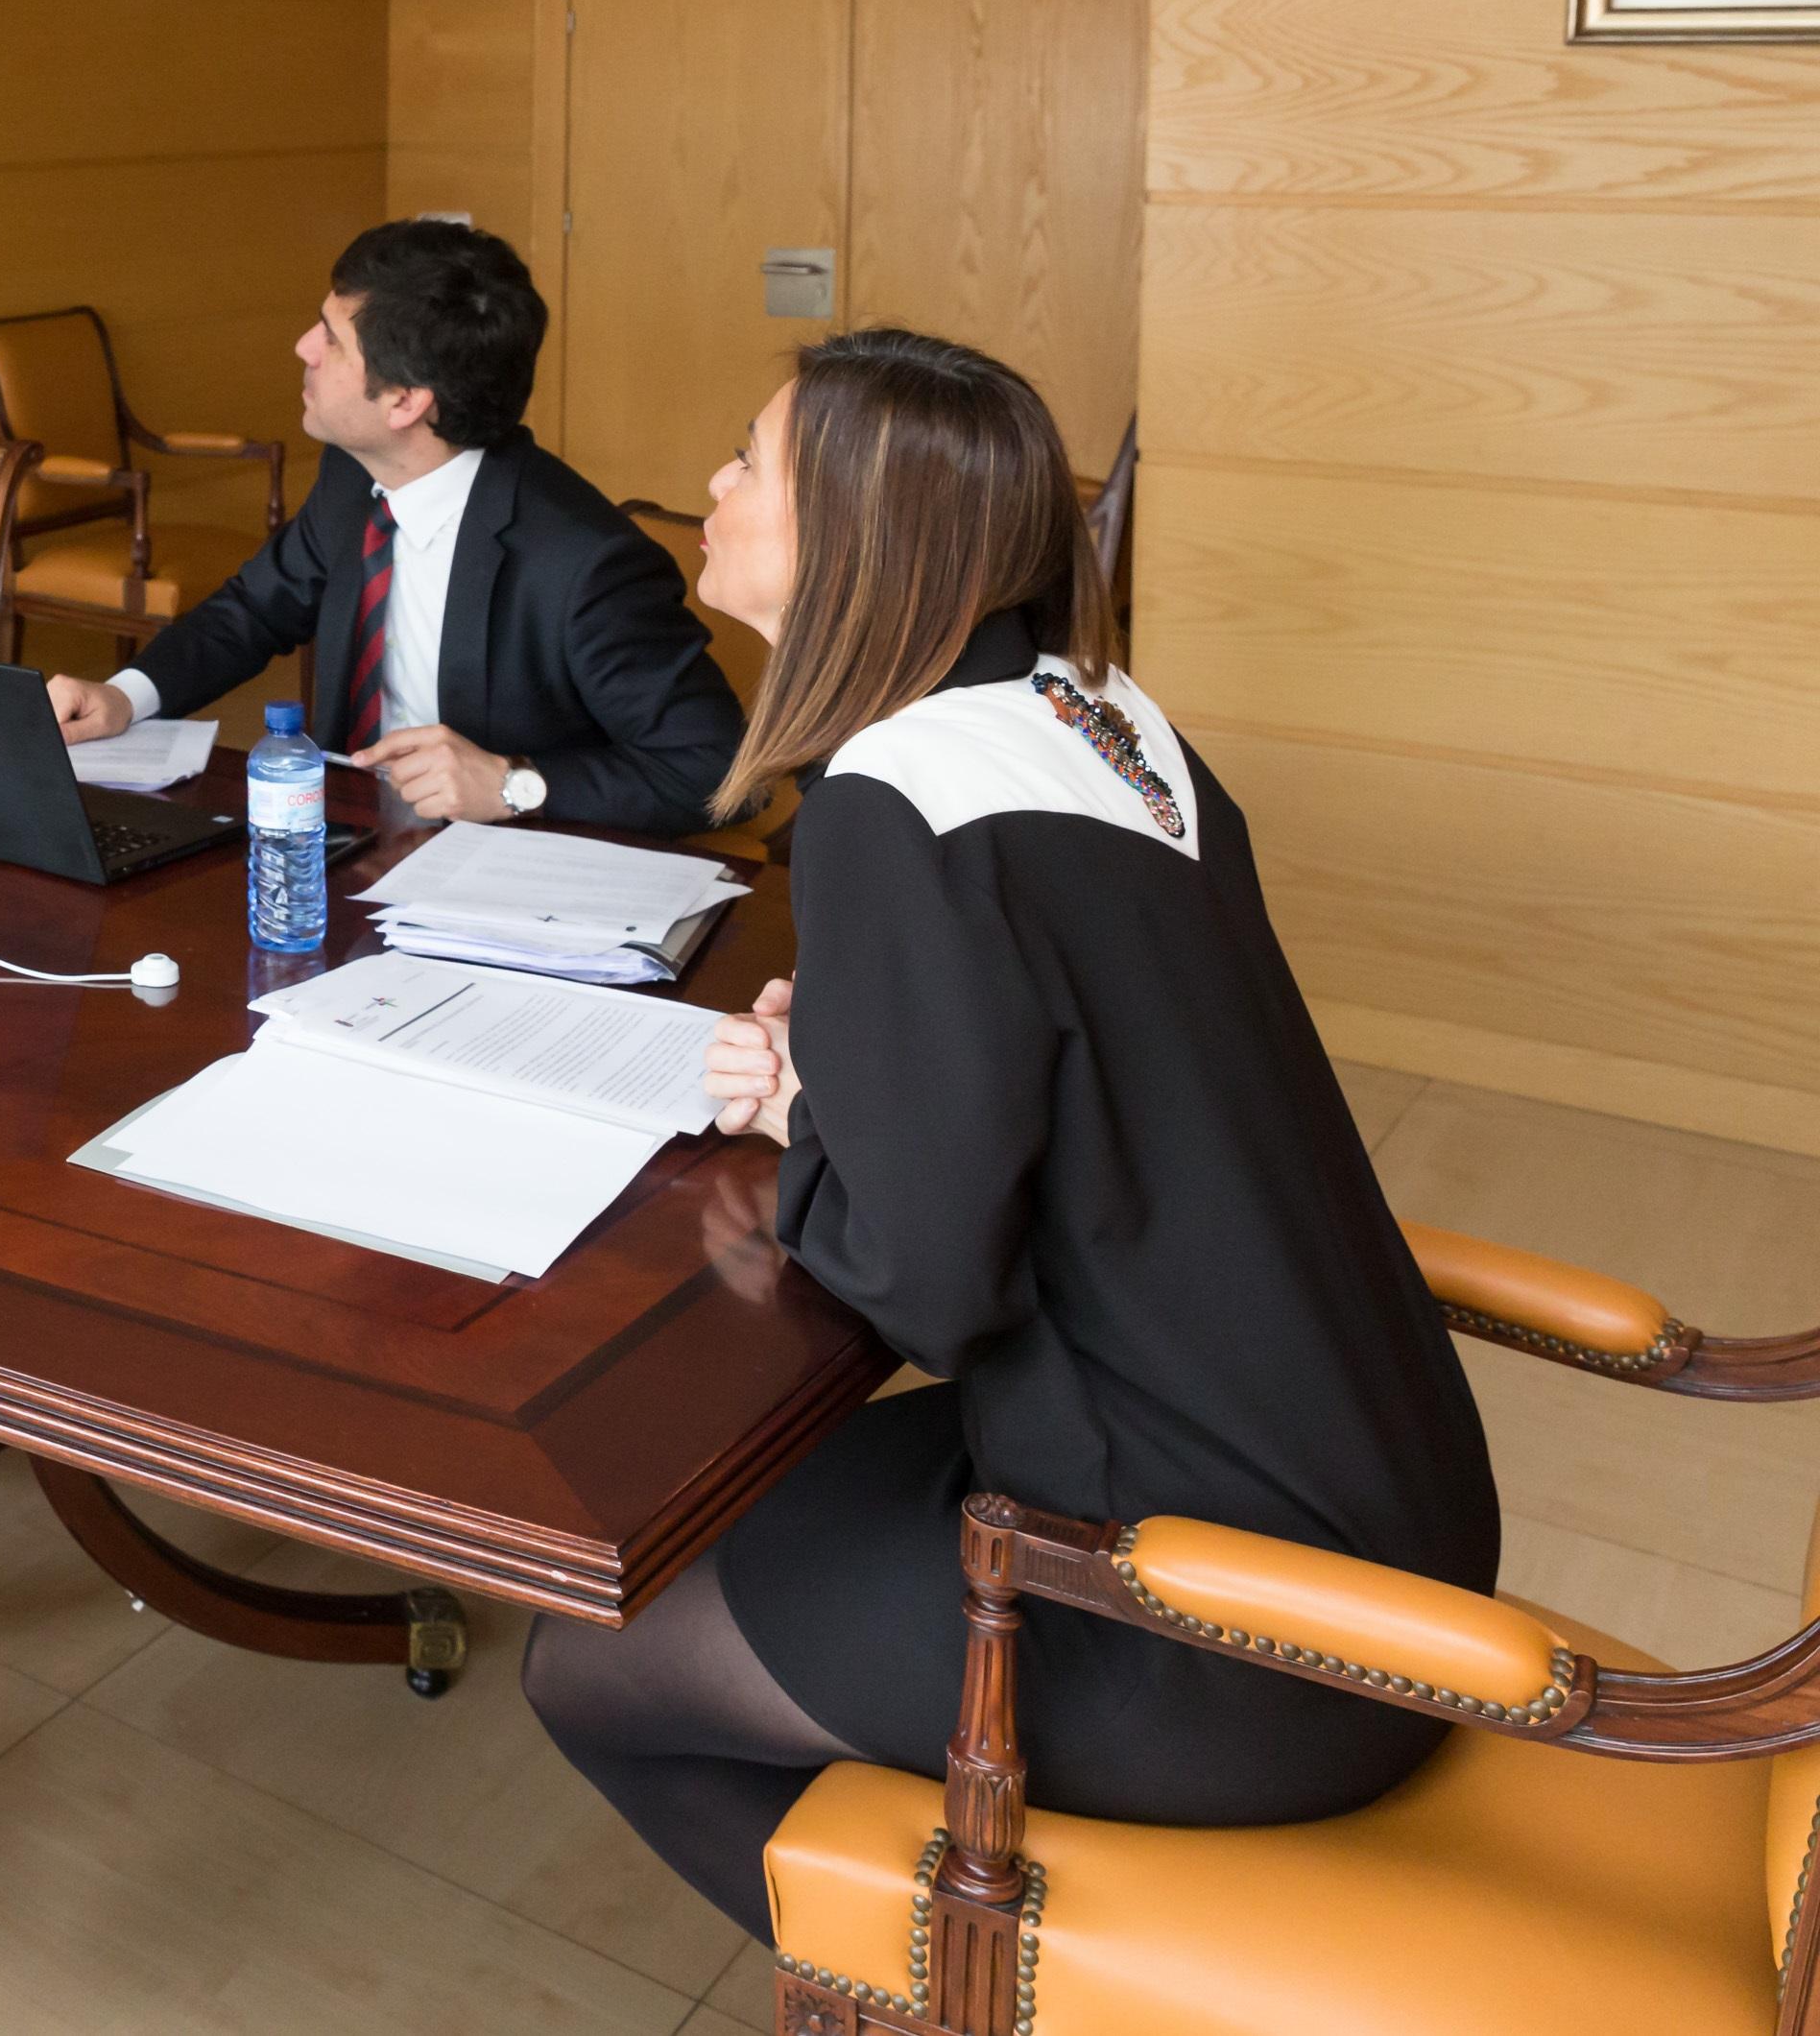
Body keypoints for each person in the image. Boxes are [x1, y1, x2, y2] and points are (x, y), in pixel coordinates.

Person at [516, 325, 1498, 1939]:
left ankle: (984, 1982)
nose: (711, 482)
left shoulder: (892, 800)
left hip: (1217, 1614)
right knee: (705, 1522)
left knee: (591, 1664)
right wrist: (846, 1079)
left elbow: (925, 1286)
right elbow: (1089, 1090)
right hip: (1374, 1493)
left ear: (856, 532)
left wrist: (822, 1113)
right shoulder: (1110, 721)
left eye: (751, 458)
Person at [39, 220, 742, 835]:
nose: (302, 346)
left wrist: (512, 784)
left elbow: (715, 773)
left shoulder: (584, 562)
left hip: (505, 875)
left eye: (333, 340)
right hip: (348, 837)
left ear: (406, 400)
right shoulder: (353, 476)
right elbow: (251, 611)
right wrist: (124, 697)